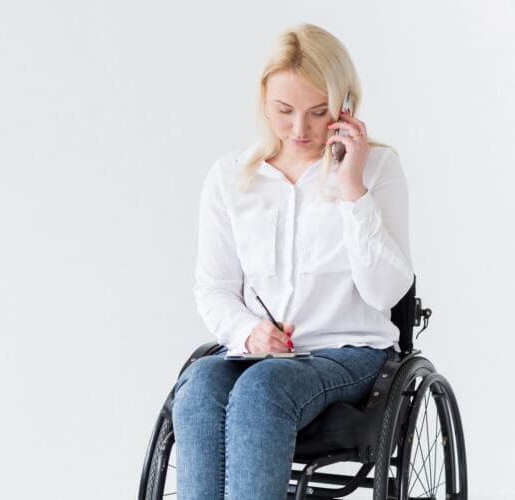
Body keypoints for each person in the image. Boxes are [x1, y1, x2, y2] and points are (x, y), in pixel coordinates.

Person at [171, 23, 414, 499]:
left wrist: (352, 187)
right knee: (198, 385)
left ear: (345, 106)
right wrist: (247, 331)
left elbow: (385, 292)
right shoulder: (229, 178)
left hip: (352, 354)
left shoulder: (378, 170)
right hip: (259, 355)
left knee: (263, 390)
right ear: (264, 100)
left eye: (318, 112)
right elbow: (214, 286)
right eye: (284, 110)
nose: (299, 129)